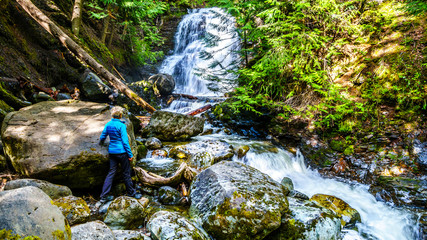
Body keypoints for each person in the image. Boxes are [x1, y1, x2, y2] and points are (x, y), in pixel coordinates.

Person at [99, 106, 141, 202]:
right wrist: (130, 155)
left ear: (112, 115)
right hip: (122, 153)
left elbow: (103, 136)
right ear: (121, 115)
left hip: (112, 153)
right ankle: (132, 193)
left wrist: (101, 142)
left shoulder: (108, 124)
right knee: (126, 173)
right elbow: (125, 142)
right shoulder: (122, 126)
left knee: (111, 173)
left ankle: (104, 196)